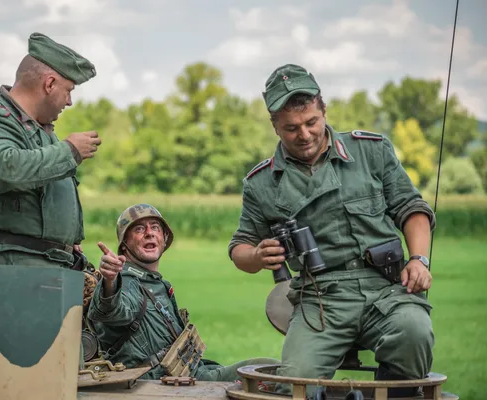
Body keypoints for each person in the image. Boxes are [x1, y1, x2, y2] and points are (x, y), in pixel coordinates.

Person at [228, 64, 435, 397]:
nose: (305, 135)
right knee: (297, 382)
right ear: (275, 126)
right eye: (291, 128)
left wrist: (420, 260)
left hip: (386, 288)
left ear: (323, 109)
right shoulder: (262, 183)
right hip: (319, 298)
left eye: (312, 122)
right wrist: (255, 255)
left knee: (414, 332)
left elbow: (412, 210)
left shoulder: (370, 150)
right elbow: (240, 247)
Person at [87, 204, 279, 381]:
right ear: (124, 245)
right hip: (160, 385)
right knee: (271, 371)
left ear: (164, 239)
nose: (149, 233)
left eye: (155, 227)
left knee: (268, 371)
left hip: (188, 374)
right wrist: (110, 281)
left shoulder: (156, 283)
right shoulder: (128, 282)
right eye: (139, 229)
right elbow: (112, 310)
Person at [0, 32, 101, 270]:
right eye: (68, 91)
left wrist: (66, 241)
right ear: (49, 84)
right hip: (12, 266)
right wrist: (70, 152)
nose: (69, 102)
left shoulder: (40, 131)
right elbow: (8, 170)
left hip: (42, 264)